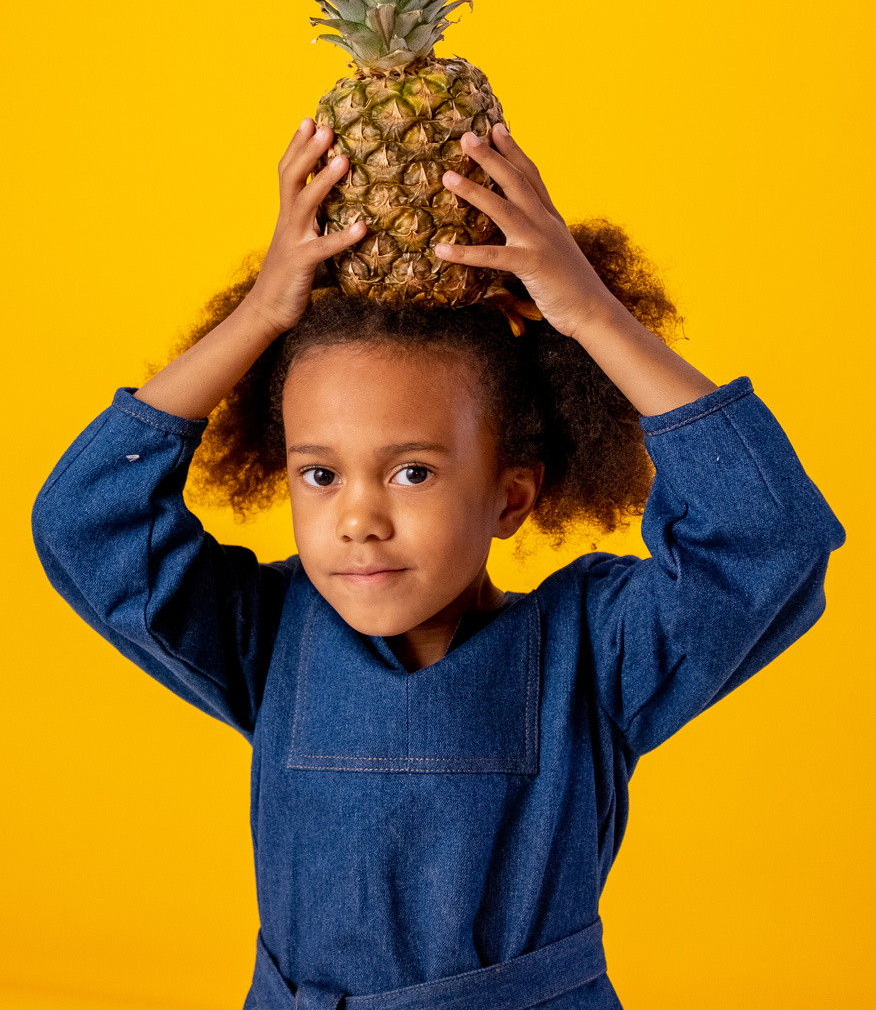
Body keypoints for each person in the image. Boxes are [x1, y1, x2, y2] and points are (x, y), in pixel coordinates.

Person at [32, 119, 845, 1010]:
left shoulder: (596, 653)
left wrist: (588, 313)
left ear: (510, 497)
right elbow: (86, 520)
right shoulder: (265, 638)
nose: (359, 518)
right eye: (320, 472)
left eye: (412, 470)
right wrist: (263, 312)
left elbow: (769, 536)